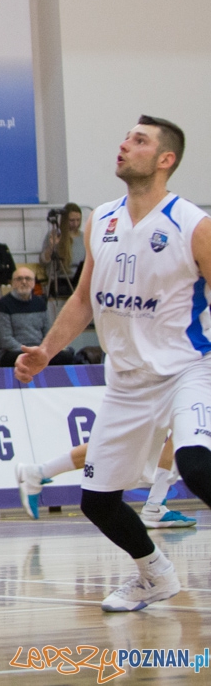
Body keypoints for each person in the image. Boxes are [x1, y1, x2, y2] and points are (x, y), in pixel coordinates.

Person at [16, 116, 211, 612]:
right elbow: (83, 299)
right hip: (128, 382)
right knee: (97, 501)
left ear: (165, 160)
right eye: (126, 137)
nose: (124, 144)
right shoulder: (102, 218)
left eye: (139, 140)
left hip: (189, 368)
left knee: (197, 464)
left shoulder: (193, 224)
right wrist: (46, 351)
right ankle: (155, 576)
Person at [17, 439, 195, 528]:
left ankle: (155, 506)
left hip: (167, 380)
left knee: (180, 433)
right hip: (148, 380)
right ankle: (38, 472)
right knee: (117, 444)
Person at [0, 266, 75, 368]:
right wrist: (30, 352)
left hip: (39, 351)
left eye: (28, 279)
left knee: (67, 355)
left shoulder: (40, 303)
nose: (24, 282)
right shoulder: (4, 304)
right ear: (13, 283)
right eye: (19, 279)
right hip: (13, 352)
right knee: (15, 358)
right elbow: (5, 339)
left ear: (33, 283)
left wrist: (42, 350)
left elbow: (47, 333)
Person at [42, 201, 85, 311]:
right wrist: (52, 246)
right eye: (71, 220)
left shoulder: (84, 237)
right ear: (65, 220)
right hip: (61, 280)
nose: (75, 224)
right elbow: (44, 260)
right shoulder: (55, 235)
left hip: (80, 279)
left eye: (78, 220)